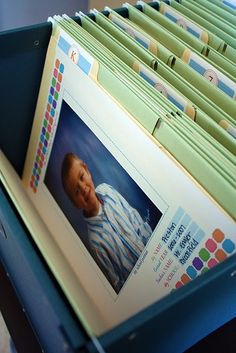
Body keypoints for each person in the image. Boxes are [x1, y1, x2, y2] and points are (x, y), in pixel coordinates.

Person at [61, 152, 152, 293]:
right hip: (139, 288)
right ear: (75, 203)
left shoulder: (107, 190)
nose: (83, 188)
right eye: (77, 191)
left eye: (81, 177)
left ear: (86, 170)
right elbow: (116, 279)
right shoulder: (95, 241)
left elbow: (133, 216)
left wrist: (151, 247)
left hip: (152, 256)